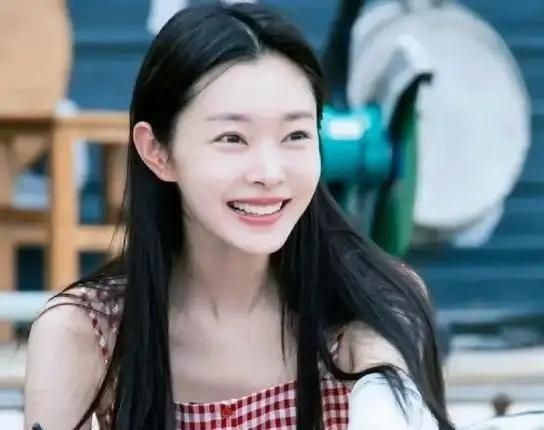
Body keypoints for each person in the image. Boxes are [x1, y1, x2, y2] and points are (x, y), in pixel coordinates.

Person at [24, 3, 455, 430]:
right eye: (232, 138)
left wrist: (382, 383)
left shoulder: (376, 306)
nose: (269, 173)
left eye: (296, 135)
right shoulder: (86, 331)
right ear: (157, 151)